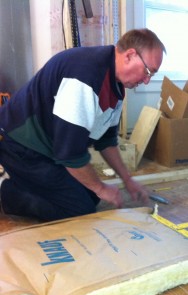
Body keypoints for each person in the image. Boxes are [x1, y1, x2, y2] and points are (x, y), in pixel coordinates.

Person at [0, 28, 166, 221]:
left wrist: (127, 180)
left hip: (49, 149)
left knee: (91, 196)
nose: (147, 81)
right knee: (79, 209)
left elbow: (107, 140)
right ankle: (7, 192)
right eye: (148, 71)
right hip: (21, 145)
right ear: (129, 55)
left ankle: (26, 181)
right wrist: (102, 187)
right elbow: (70, 155)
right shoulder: (85, 76)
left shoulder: (117, 85)